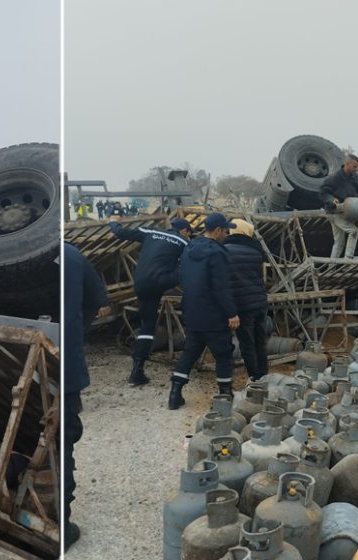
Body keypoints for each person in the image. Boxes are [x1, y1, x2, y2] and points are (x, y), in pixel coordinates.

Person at [62, 243, 110, 551]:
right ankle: (61, 528)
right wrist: (76, 332)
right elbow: (97, 300)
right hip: (62, 362)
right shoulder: (71, 255)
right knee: (62, 438)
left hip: (4, 356)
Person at [109, 214, 193, 385]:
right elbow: (196, 258)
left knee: (147, 325)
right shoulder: (184, 242)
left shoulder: (150, 231)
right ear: (184, 230)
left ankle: (137, 371)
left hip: (140, 282)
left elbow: (121, 233)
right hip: (161, 281)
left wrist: (113, 221)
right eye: (189, 233)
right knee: (189, 269)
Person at [169, 212, 240, 409]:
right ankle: (225, 396)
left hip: (192, 310)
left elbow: (182, 278)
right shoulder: (218, 253)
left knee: (190, 352)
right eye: (225, 230)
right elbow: (221, 287)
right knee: (223, 354)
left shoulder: (190, 248)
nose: (226, 234)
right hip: (214, 314)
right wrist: (231, 313)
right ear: (217, 230)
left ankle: (175, 394)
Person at [224, 219, 269, 382]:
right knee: (260, 343)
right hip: (260, 303)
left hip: (242, 305)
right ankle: (264, 377)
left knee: (247, 345)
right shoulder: (256, 252)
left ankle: (255, 380)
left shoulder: (225, 251)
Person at [320, 154, 358, 258]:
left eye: (357, 167)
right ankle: (348, 261)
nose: (356, 169)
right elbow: (323, 192)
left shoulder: (356, 178)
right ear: (347, 164)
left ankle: (331, 268)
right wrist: (331, 200)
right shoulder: (334, 178)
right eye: (354, 166)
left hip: (348, 213)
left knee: (339, 243)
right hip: (334, 212)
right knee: (353, 231)